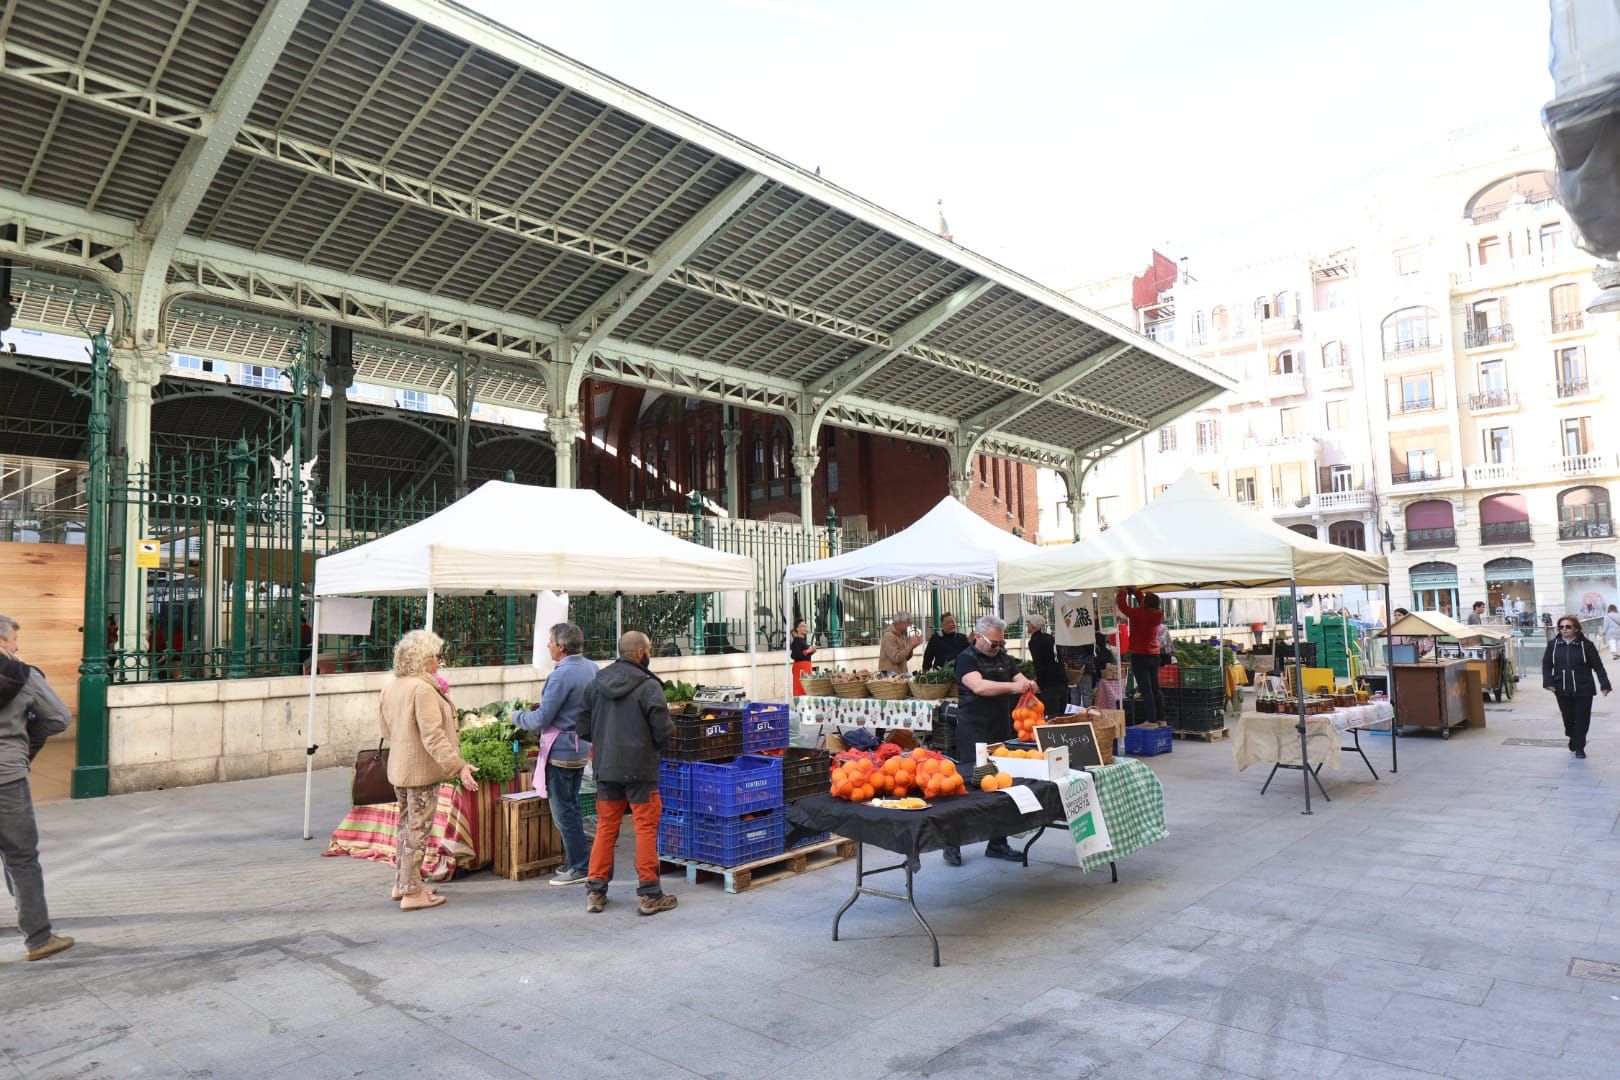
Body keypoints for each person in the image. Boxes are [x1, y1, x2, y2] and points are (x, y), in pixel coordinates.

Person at [379, 629, 477, 911]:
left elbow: (386, 730)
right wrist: (458, 766)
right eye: (435, 656)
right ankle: (412, 893)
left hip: (399, 767)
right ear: (422, 659)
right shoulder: (422, 689)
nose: (439, 661)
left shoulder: (393, 686)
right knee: (417, 831)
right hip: (420, 771)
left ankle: (403, 882)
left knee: (406, 826)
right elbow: (433, 736)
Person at [580, 631, 677, 916]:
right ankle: (649, 895)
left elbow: (583, 728)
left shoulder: (597, 683)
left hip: (606, 767)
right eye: (649, 648)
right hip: (641, 769)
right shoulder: (649, 686)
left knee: (605, 827)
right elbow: (663, 731)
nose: (651, 653)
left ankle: (595, 892)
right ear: (639, 653)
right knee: (645, 828)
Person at [0, 615, 75, 960]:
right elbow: (58, 718)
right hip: (6, 777)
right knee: (21, 857)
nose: (17, 646)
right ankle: (39, 939)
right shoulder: (24, 675)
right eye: (13, 639)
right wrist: (25, 746)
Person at [942, 615, 1035, 867]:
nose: (998, 648)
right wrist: (1013, 687)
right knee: (968, 788)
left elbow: (1017, 677)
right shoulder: (966, 659)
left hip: (1000, 730)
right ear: (977, 637)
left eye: (1000, 644)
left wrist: (1026, 684)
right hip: (974, 731)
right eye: (993, 644)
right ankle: (952, 843)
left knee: (1001, 787)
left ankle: (998, 843)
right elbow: (980, 687)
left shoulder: (1003, 657)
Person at [513, 622, 594, 887]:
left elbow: (541, 719)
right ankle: (575, 861)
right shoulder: (591, 668)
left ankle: (581, 866)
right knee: (572, 805)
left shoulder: (561, 675)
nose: (548, 646)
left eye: (550, 641)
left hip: (561, 750)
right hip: (581, 746)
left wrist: (516, 717)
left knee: (563, 811)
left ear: (561, 646)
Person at [1543, 615, 1611, 759]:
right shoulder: (1553, 645)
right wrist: (1548, 682)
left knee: (1582, 717)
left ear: (1576, 628)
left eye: (1568, 627)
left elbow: (1598, 666)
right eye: (1561, 627)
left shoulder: (1587, 645)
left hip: (1583, 688)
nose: (1564, 629)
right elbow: (1547, 665)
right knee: (1568, 717)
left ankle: (1580, 746)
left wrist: (1604, 684)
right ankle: (1572, 736)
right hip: (1561, 687)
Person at [1116, 588, 1166, 726]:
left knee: (1146, 690)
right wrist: (1136, 591)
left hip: (1140, 656)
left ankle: (1151, 720)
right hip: (1154, 655)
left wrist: (1123, 591)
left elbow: (1122, 606)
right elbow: (1144, 604)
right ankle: (1161, 719)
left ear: (1145, 603)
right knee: (1156, 689)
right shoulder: (1157, 615)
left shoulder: (1139, 614)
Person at [1026, 614, 1067, 719]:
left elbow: (1038, 664)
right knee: (1060, 716)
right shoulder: (1050, 638)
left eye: (1029, 623)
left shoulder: (1034, 642)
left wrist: (1039, 683)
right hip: (1061, 679)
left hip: (1049, 684)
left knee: (1051, 717)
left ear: (1034, 626)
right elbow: (1060, 657)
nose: (1027, 625)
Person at [789, 620, 816, 697]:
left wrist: (812, 651)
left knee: (806, 687)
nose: (805, 628)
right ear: (797, 629)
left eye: (806, 626)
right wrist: (808, 650)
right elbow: (795, 655)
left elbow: (804, 655)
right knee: (801, 687)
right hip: (800, 668)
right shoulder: (797, 641)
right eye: (803, 626)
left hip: (806, 667)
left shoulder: (802, 641)